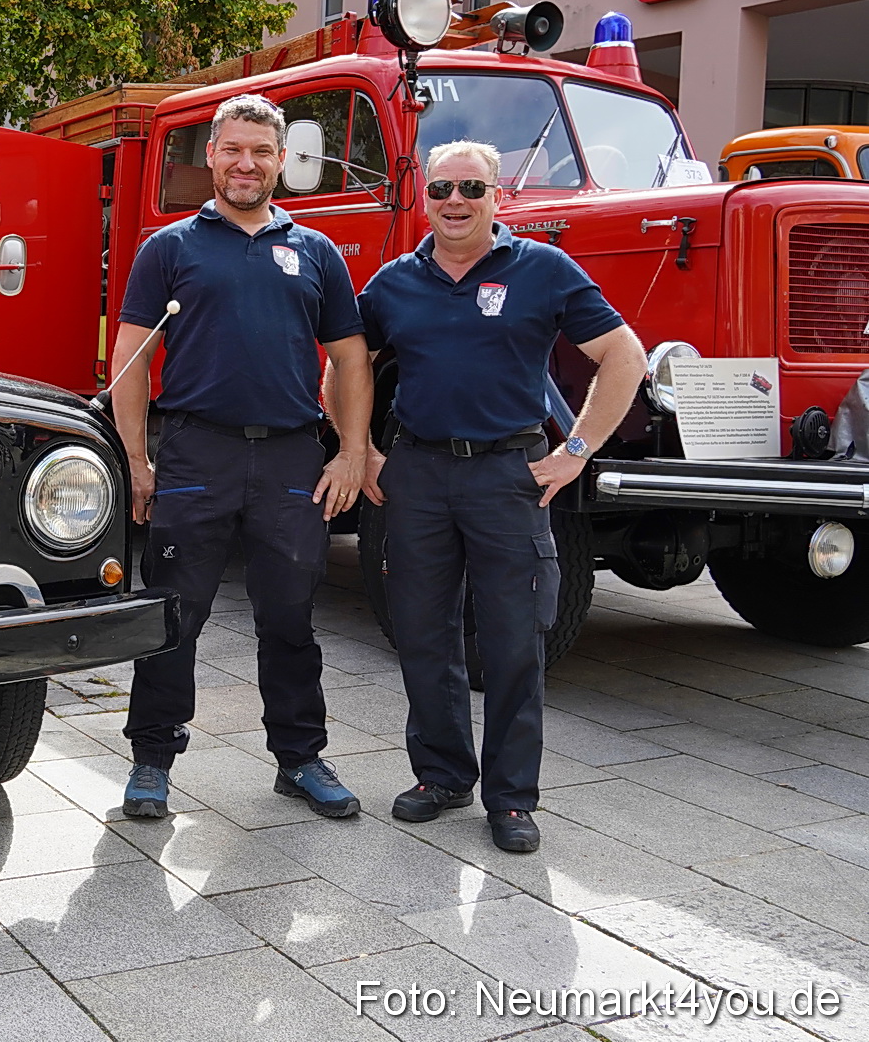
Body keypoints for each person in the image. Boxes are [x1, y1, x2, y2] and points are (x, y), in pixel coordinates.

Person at [354, 140, 646, 853]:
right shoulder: (395, 282)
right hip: (418, 473)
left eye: (472, 189)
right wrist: (357, 446)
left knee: (515, 641)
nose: (456, 201)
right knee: (422, 633)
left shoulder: (543, 270)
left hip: (506, 474)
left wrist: (576, 450)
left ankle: (510, 799)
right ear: (425, 195)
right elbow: (348, 357)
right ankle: (442, 774)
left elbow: (625, 356)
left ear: (497, 195)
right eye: (443, 187)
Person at [110, 94, 375, 820]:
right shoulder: (169, 247)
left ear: (283, 162)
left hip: (292, 459)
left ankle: (300, 758)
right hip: (197, 453)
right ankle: (152, 760)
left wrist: (352, 451)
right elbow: (130, 358)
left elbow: (351, 359)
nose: (246, 164)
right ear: (212, 156)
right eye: (233, 150)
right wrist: (136, 455)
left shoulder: (316, 252)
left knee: (289, 617)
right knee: (173, 611)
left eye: (261, 152)